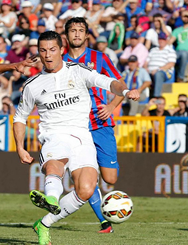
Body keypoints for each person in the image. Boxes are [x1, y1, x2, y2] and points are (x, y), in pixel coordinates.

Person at [14, 31, 139, 245]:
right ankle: (51, 198)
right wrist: (20, 147)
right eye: (43, 51)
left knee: (86, 189)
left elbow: (110, 83)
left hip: (82, 136)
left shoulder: (78, 71)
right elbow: (20, 117)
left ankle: (43, 224)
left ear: (61, 50)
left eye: (52, 49)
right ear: (39, 53)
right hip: (54, 135)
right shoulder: (32, 85)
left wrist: (125, 91)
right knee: (55, 165)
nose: (48, 55)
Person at [62, 17, 124, 233]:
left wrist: (112, 106)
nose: (77, 34)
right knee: (84, 178)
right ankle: (104, 222)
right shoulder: (60, 61)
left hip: (100, 124)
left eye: (81, 30)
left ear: (87, 35)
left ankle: (107, 208)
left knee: (110, 178)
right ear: (66, 35)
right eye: (73, 30)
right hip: (75, 128)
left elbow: (120, 85)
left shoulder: (100, 58)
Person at [144, 32, 176, 97]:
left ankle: (156, 96)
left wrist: (158, 69)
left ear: (166, 40)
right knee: (140, 72)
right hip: (150, 71)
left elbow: (171, 64)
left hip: (164, 71)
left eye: (163, 39)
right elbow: (146, 62)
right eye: (160, 39)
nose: (161, 41)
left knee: (158, 74)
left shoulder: (170, 50)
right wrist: (145, 68)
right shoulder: (153, 50)